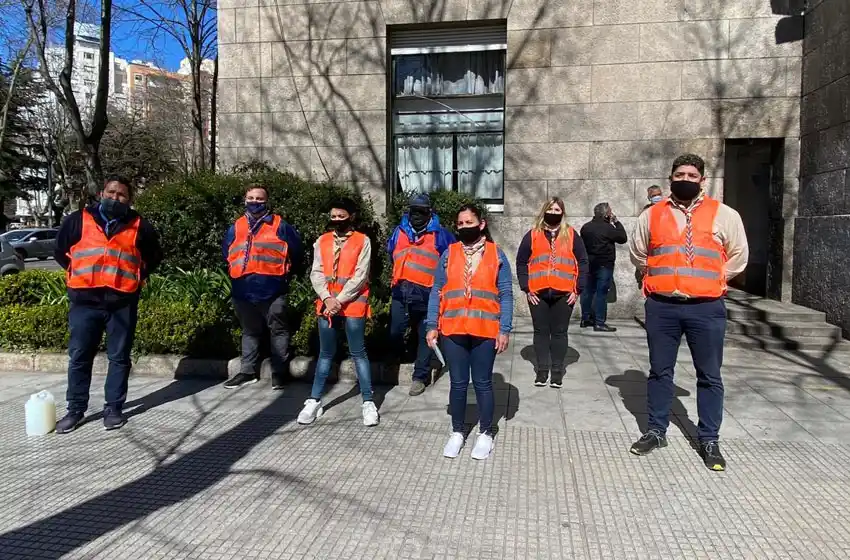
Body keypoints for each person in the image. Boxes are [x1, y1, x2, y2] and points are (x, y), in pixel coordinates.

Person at [629, 153, 748, 472]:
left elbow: (738, 255)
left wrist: (716, 278)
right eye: (679, 174)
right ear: (670, 179)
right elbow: (638, 252)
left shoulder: (724, 215)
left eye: (692, 175)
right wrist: (656, 276)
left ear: (702, 181)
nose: (685, 179)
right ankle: (656, 431)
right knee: (659, 371)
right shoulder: (652, 215)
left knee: (709, 375)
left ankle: (709, 438)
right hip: (663, 307)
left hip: (706, 308)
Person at [53, 175, 163, 433]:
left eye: (121, 195)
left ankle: (113, 409)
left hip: (122, 303)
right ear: (101, 193)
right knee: (79, 356)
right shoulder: (78, 220)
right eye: (111, 192)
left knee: (119, 357)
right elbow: (61, 251)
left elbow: (154, 257)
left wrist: (138, 278)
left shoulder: (139, 225)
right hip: (85, 301)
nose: (115, 198)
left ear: (129, 199)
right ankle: (75, 410)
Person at [425, 204, 513, 461]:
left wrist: (504, 329)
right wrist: (432, 325)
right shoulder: (449, 254)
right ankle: (457, 431)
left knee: (483, 383)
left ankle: (486, 432)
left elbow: (506, 294)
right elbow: (437, 291)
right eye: (460, 224)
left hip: (485, 330)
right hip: (453, 330)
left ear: (482, 224)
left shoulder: (497, 255)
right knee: (458, 383)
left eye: (469, 222)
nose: (464, 227)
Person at [299, 197, 379, 427]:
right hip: (327, 304)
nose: (336, 220)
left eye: (341, 217)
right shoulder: (321, 241)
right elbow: (316, 271)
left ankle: (368, 401)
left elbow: (361, 274)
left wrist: (339, 300)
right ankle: (314, 400)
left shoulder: (362, 241)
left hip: (352, 302)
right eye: (333, 217)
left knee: (358, 353)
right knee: (325, 354)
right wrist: (326, 297)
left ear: (351, 217)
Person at [221, 183, 302, 390]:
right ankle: (247, 372)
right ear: (245, 200)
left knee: (279, 330)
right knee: (249, 331)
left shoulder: (280, 225)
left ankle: (279, 373)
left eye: (259, 199)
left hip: (273, 288)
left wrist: (285, 275)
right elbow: (227, 254)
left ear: (267, 201)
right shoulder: (236, 226)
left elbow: (297, 252)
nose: (254, 202)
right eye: (251, 198)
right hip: (243, 290)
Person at [516, 197, 589, 388]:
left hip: (564, 294)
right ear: (543, 211)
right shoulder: (532, 235)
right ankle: (541, 370)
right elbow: (521, 262)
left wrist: (578, 289)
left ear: (562, 213)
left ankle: (557, 371)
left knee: (559, 332)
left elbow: (583, 261)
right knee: (540, 332)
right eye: (550, 209)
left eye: (557, 210)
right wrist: (526, 287)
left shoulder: (572, 234)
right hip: (538, 294)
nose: (554, 213)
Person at [387, 193, 456, 396]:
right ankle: (394, 357)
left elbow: (451, 262)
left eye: (421, 211)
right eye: (413, 211)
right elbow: (391, 253)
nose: (416, 215)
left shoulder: (441, 235)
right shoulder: (398, 232)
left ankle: (420, 377)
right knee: (396, 328)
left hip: (428, 294)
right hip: (401, 290)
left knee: (426, 337)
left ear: (429, 212)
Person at [579, 202, 627, 332]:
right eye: (610, 212)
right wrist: (616, 221)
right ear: (607, 214)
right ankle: (599, 322)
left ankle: (585, 318)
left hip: (589, 264)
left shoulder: (586, 227)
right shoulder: (608, 228)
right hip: (604, 265)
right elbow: (623, 237)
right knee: (601, 293)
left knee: (587, 292)